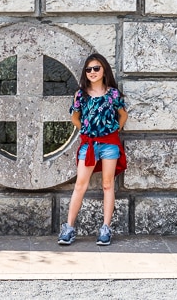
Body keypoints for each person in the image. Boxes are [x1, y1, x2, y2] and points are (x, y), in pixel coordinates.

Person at [58, 53, 128, 247]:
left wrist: (114, 130)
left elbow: (123, 115)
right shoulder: (81, 94)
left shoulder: (113, 94)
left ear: (103, 69)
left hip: (109, 145)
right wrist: (88, 131)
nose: (92, 72)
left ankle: (106, 228)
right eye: (88, 69)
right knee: (80, 184)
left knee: (107, 185)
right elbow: (75, 118)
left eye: (96, 68)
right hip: (88, 145)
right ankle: (69, 228)